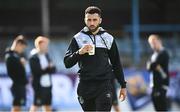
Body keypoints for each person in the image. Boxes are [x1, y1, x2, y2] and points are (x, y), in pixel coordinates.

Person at [64, 6, 126, 111]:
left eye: (94, 20)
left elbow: (116, 63)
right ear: (85, 20)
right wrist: (80, 52)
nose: (92, 23)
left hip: (104, 85)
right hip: (85, 86)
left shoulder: (108, 38)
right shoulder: (77, 38)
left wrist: (123, 86)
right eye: (89, 20)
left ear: (100, 20)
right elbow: (67, 63)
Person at [29, 36, 56, 112]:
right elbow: (36, 71)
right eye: (45, 45)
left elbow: (54, 69)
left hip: (48, 85)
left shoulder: (46, 55)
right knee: (36, 106)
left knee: (48, 106)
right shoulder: (33, 57)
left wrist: (47, 68)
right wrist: (48, 68)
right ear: (39, 45)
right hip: (39, 86)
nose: (46, 47)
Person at [5, 35, 28, 112]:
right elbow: (11, 72)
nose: (22, 50)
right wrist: (21, 64)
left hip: (20, 84)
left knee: (18, 106)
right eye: (23, 47)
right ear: (18, 44)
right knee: (16, 106)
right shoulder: (10, 56)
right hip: (17, 84)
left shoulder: (16, 55)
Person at [147, 34, 170, 111]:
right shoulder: (153, 55)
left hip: (161, 85)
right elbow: (149, 67)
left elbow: (153, 65)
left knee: (162, 108)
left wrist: (153, 65)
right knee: (157, 108)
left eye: (154, 42)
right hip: (154, 85)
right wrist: (153, 65)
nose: (152, 45)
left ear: (159, 41)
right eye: (151, 43)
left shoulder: (164, 53)